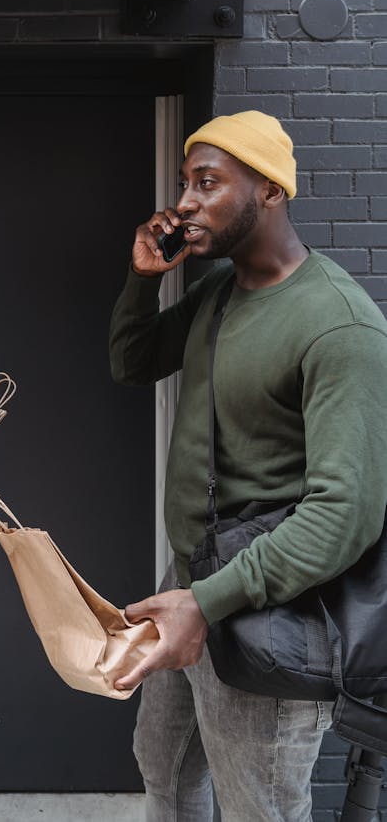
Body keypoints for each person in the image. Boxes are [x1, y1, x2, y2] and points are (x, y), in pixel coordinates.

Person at [108, 111, 387, 822]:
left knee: (258, 805)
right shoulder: (220, 294)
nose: (187, 203)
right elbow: (134, 362)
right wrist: (145, 280)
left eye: (208, 183)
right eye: (184, 184)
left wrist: (206, 601)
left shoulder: (339, 325)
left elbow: (344, 515)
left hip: (267, 603)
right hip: (194, 576)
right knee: (165, 766)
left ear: (270, 191)